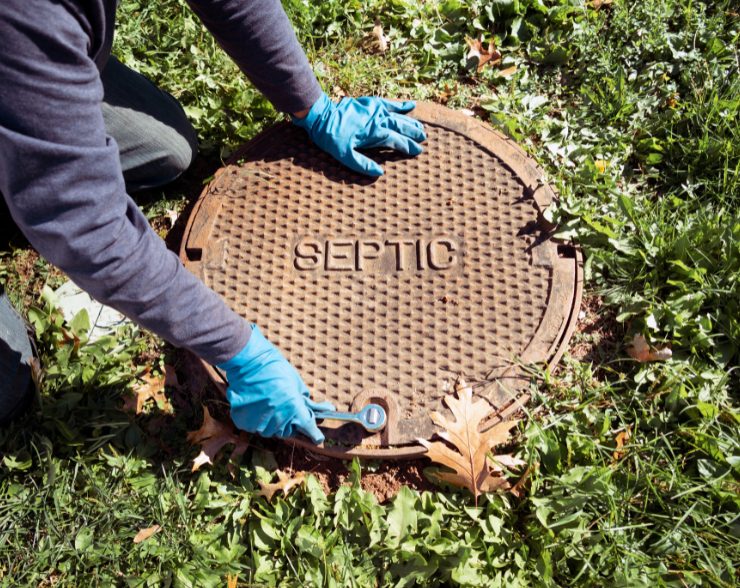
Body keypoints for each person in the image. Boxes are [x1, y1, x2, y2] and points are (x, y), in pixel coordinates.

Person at [0, 0, 426, 442]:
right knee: (6, 390)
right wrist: (237, 351)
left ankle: (37, 116)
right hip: (20, 41)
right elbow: (87, 225)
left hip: (30, 52)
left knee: (166, 149)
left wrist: (312, 106)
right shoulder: (28, 14)